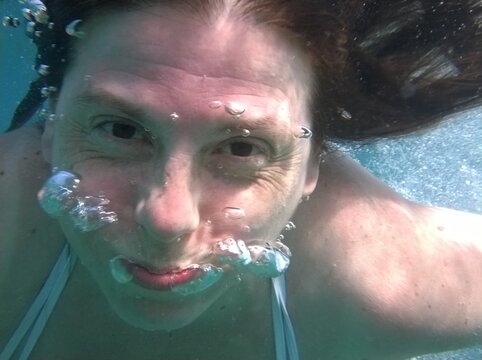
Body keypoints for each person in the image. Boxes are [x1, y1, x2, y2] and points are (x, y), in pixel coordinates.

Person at [1, 0, 482, 359]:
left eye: (241, 147)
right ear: (52, 119)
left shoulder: (376, 276)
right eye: (122, 130)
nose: (168, 221)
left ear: (313, 162)